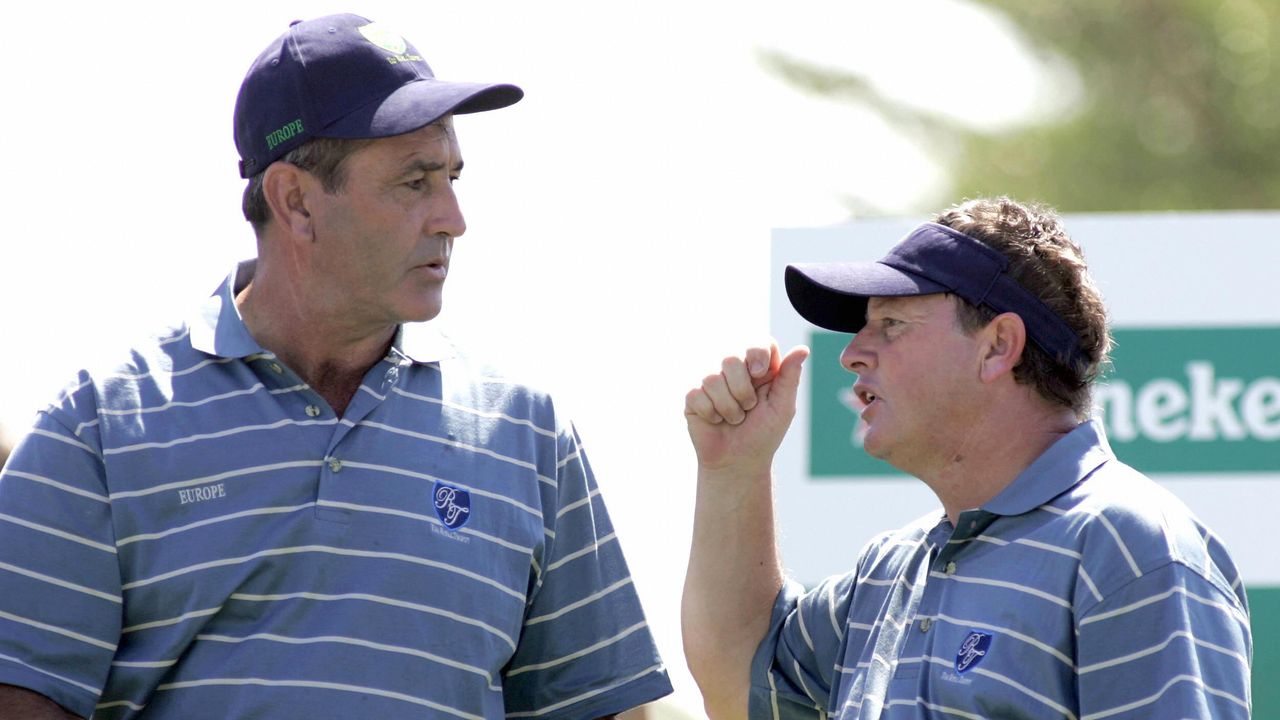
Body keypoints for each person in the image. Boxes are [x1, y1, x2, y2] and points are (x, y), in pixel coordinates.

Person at [0, 14, 671, 719]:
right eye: (415, 183)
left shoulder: (528, 430)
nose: (453, 218)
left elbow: (597, 705)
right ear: (296, 201)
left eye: (452, 177)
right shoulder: (102, 424)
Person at [681, 197, 1252, 718]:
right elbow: (737, 687)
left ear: (998, 346)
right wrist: (734, 470)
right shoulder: (891, 567)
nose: (853, 353)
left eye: (892, 324)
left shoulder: (1129, 547)